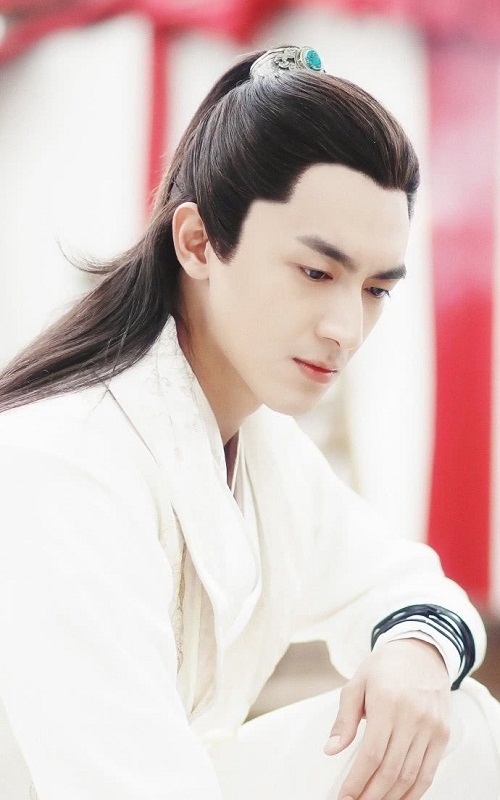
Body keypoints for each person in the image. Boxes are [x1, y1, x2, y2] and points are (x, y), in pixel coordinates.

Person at [0, 45, 498, 800]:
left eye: (375, 289)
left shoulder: (261, 447)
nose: (345, 329)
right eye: (316, 273)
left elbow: (407, 586)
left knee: (452, 725)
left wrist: (416, 654)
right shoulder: (65, 464)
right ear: (198, 243)